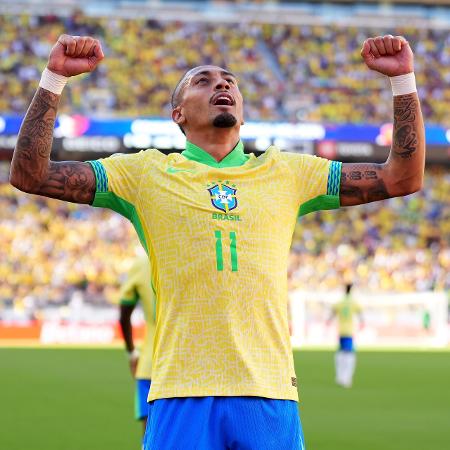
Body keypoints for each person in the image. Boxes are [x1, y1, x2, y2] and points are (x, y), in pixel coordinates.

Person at [10, 33, 425, 449]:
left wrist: (403, 81)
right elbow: (31, 175)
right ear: (178, 114)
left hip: (269, 392)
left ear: (242, 113)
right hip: (180, 391)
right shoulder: (143, 173)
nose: (222, 85)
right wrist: (54, 79)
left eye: (229, 81)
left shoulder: (288, 173)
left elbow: (401, 177)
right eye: (202, 81)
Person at [118, 254, 155, 437]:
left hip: (150, 365)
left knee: (149, 438)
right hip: (187, 368)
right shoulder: (190, 256)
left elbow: (124, 313)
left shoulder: (142, 264)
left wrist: (132, 352)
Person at [327, 283, 364, 388]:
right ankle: (346, 379)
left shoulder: (340, 302)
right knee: (349, 354)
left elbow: (333, 312)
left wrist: (328, 321)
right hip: (349, 331)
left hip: (340, 330)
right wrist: (362, 322)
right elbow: (360, 313)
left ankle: (339, 377)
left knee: (341, 353)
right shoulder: (353, 302)